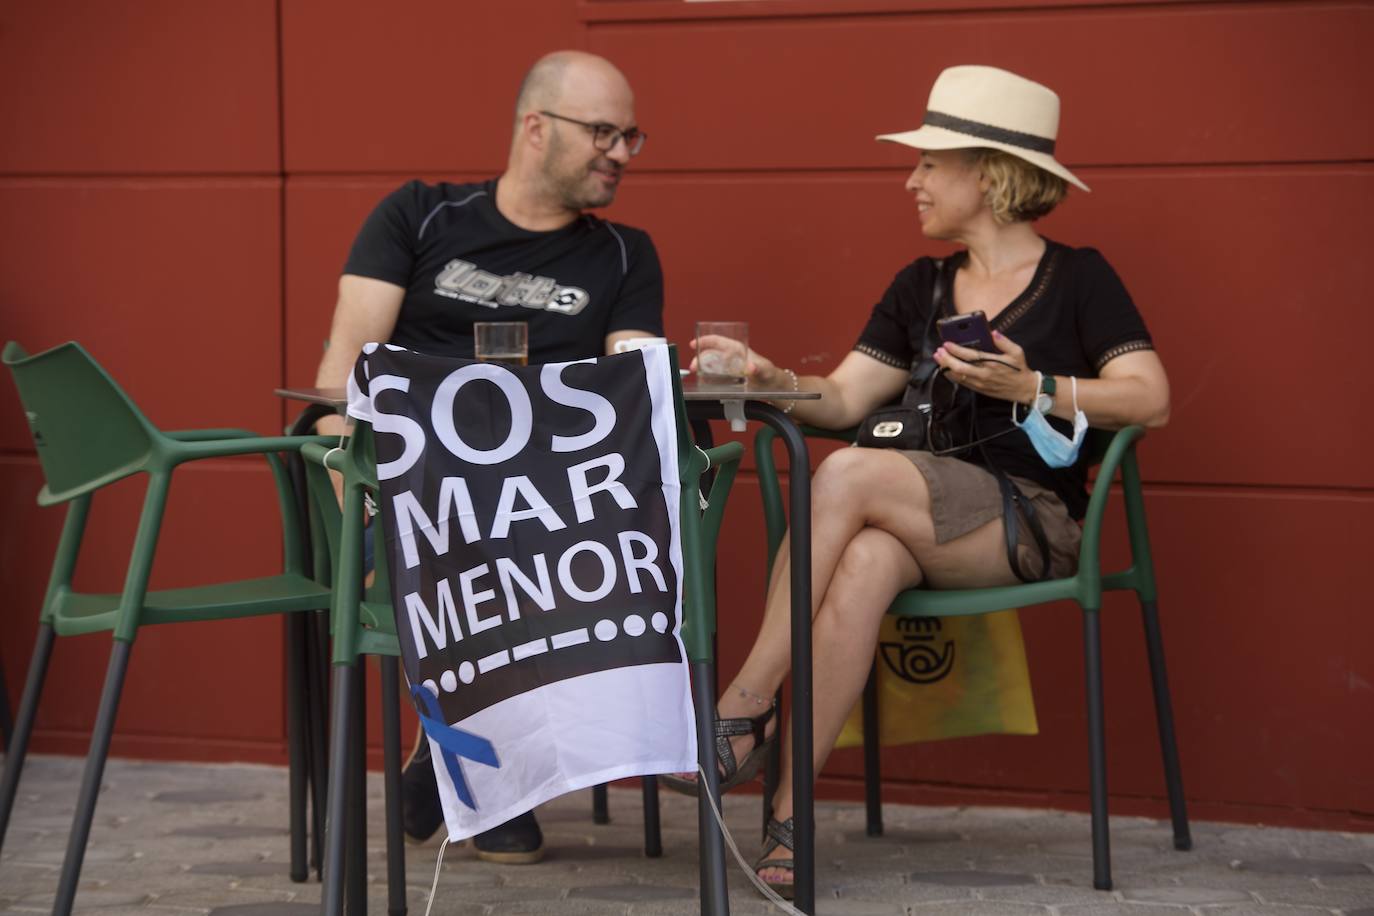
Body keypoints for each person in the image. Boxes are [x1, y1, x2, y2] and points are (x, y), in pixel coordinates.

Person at [678, 65, 1171, 897]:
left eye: (929, 163)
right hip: (912, 513)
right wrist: (766, 378)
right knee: (864, 562)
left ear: (987, 172)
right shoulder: (921, 286)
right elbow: (840, 398)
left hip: (1027, 521)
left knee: (847, 476)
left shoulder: (1079, 279)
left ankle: (746, 701)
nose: (912, 179)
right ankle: (790, 819)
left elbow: (1151, 399)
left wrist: (1036, 387)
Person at [312, 49, 663, 864]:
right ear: (535, 129)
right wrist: (357, 505)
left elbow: (629, 390)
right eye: (602, 132)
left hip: (546, 500)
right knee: (478, 532)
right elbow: (339, 388)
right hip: (405, 489)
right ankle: (485, 771)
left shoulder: (623, 255)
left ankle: (458, 762)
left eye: (630, 136)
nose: (619, 152)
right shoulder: (420, 216)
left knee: (545, 532)